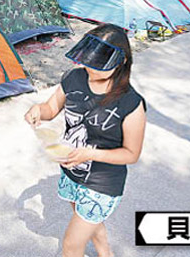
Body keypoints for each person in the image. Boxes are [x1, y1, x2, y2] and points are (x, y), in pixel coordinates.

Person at [25, 24, 147, 257]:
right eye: (88, 61)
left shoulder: (131, 104)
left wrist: (90, 154)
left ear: (120, 62)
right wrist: (37, 110)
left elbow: (131, 154)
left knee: (71, 246)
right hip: (72, 172)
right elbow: (51, 108)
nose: (89, 68)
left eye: (98, 65)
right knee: (88, 220)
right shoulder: (74, 78)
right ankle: (105, 254)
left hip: (103, 182)